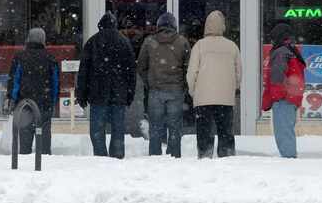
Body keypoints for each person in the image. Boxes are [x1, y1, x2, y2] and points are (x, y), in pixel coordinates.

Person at [76, 12, 136, 159]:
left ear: (100, 26)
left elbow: (83, 72)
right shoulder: (124, 42)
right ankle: (117, 155)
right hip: (119, 93)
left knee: (97, 129)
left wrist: (82, 94)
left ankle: (100, 156)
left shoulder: (92, 42)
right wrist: (129, 94)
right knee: (118, 129)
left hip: (97, 94)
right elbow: (131, 72)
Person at [187, 11, 242, 159]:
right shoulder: (232, 46)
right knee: (226, 131)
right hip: (225, 98)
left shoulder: (199, 46)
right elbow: (239, 73)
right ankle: (227, 155)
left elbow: (192, 72)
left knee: (204, 131)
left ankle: (205, 156)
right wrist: (233, 89)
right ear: (222, 26)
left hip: (203, 98)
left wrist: (193, 91)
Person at [137, 12, 191, 158]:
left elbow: (141, 66)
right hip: (176, 91)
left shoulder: (150, 42)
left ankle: (155, 155)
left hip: (156, 91)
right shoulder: (182, 42)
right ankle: (174, 155)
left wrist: (150, 82)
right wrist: (184, 85)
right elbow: (189, 67)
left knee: (155, 127)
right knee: (175, 127)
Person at [7, 27, 59, 155]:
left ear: (28, 39)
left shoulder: (20, 57)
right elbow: (55, 82)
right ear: (43, 40)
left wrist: (13, 99)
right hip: (44, 103)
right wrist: (53, 101)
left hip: (25, 103)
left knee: (25, 137)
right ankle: (44, 163)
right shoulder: (50, 58)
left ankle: (25, 165)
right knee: (44, 137)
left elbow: (15, 81)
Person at [262, 23, 307, 158]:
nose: (271, 41)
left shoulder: (281, 52)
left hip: (284, 98)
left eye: (273, 37)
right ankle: (289, 158)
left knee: (283, 132)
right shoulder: (292, 50)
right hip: (291, 97)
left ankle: (289, 163)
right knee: (287, 130)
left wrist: (275, 97)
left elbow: (277, 77)